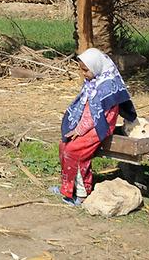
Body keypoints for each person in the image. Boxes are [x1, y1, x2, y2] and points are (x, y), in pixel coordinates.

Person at [54, 48, 137, 205]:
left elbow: (97, 116)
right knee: (63, 146)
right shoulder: (94, 81)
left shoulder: (108, 86)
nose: (83, 73)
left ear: (96, 66)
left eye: (86, 70)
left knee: (74, 151)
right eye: (82, 70)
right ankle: (67, 189)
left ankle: (82, 193)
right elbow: (85, 107)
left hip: (99, 128)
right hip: (86, 125)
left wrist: (79, 130)